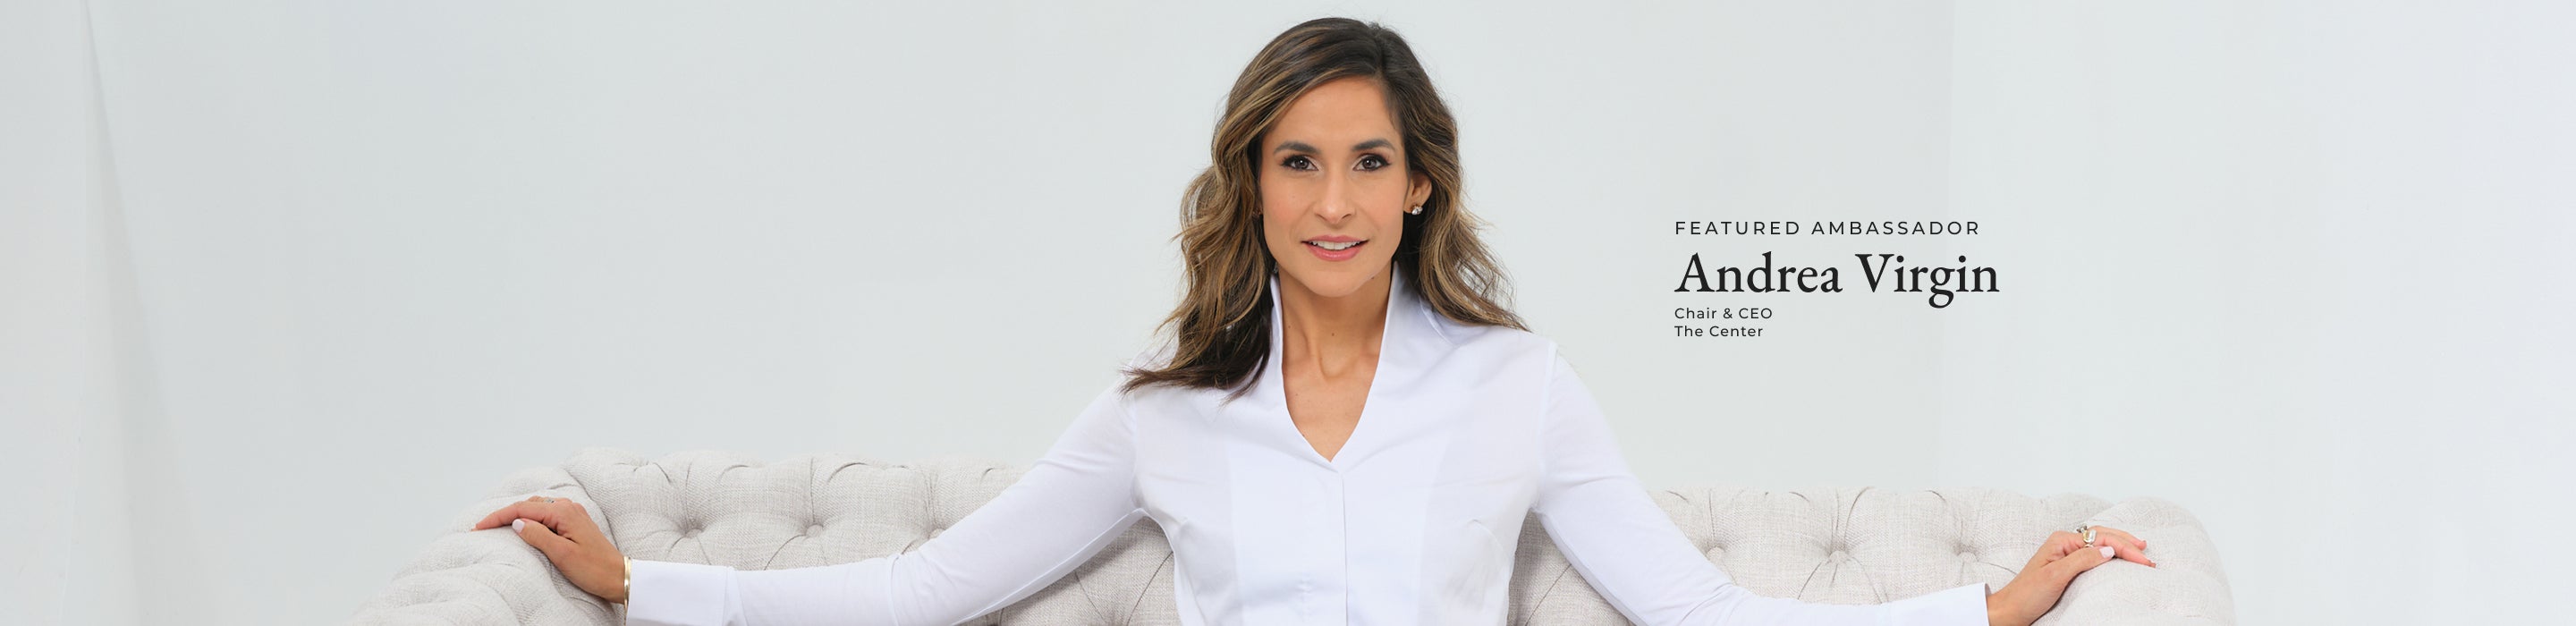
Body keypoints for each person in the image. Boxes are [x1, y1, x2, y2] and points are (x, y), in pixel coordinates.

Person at [472, 17, 2154, 626]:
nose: (1333, 199)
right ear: (1253, 185)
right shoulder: (1161, 416)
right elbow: (928, 586)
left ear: (1420, 186)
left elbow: (1697, 611)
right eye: (1297, 161)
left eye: (1367, 161)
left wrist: (1985, 608)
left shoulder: (1516, 386)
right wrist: (641, 585)